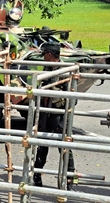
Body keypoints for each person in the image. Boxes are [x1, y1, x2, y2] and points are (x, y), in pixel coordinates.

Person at [33, 42, 76, 191]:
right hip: (46, 114)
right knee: (42, 146)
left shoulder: (64, 71)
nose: (43, 57)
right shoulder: (47, 68)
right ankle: (36, 175)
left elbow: (73, 98)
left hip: (59, 115)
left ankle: (69, 180)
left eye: (44, 54)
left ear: (50, 54)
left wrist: (62, 112)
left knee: (64, 148)